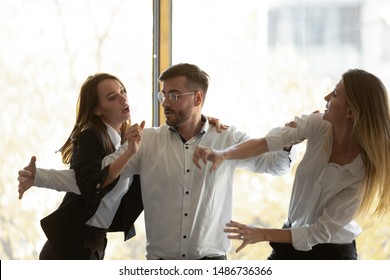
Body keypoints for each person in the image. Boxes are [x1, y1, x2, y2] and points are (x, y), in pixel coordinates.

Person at [18, 63, 294, 260]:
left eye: (174, 95)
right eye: (163, 95)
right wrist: (39, 177)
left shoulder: (227, 138)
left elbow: (276, 165)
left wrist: (289, 138)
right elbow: (96, 178)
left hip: (211, 262)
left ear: (198, 98)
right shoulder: (144, 142)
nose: (164, 102)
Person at [193, 69, 390, 260]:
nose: (326, 97)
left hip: (332, 252)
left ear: (350, 111)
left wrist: (261, 234)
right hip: (290, 239)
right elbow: (265, 143)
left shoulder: (362, 171)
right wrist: (222, 154)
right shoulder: (318, 124)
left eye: (335, 94)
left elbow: (320, 232)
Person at [18, 73, 144, 259]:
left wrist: (38, 177)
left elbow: (79, 180)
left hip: (95, 240)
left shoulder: (120, 143)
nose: (123, 98)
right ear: (97, 110)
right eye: (112, 97)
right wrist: (128, 152)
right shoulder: (91, 136)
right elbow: (91, 185)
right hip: (73, 242)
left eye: (122, 91)